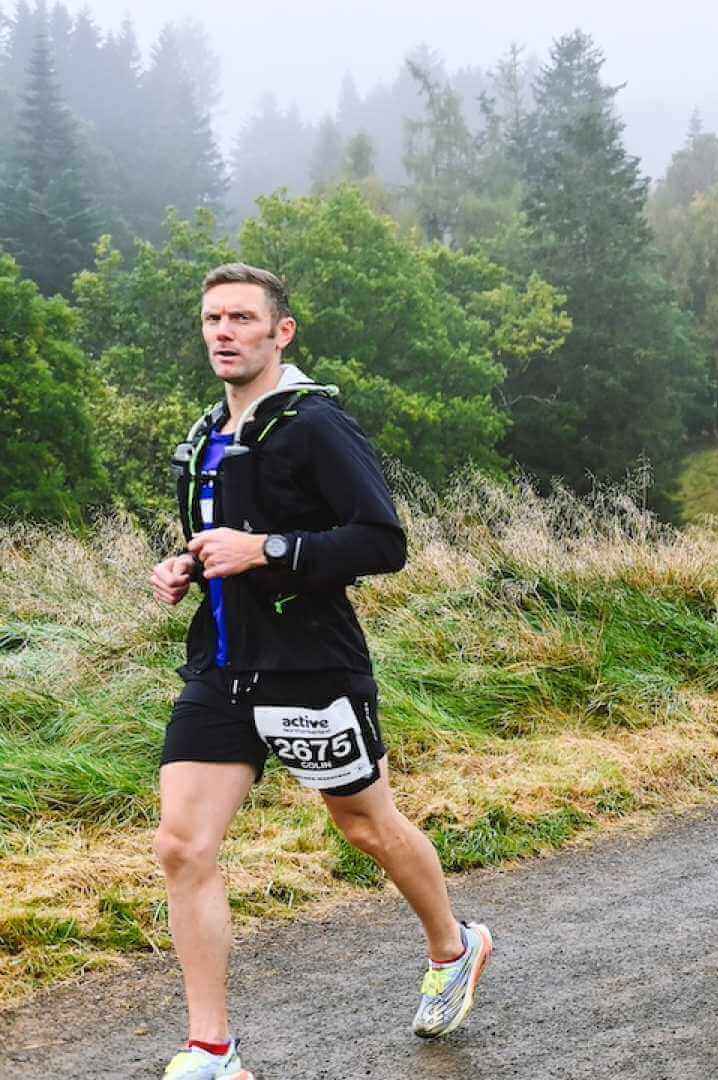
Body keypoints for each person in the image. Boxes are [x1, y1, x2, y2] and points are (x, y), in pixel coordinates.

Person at [151, 264, 491, 1080]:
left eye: (241, 318)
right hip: (223, 667)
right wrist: (186, 567)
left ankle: (454, 947)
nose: (223, 332)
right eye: (211, 319)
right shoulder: (205, 434)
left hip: (311, 666)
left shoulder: (315, 424)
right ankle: (212, 1051)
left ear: (281, 331)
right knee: (180, 846)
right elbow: (223, 539)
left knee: (364, 824)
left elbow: (383, 541)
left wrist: (267, 550)